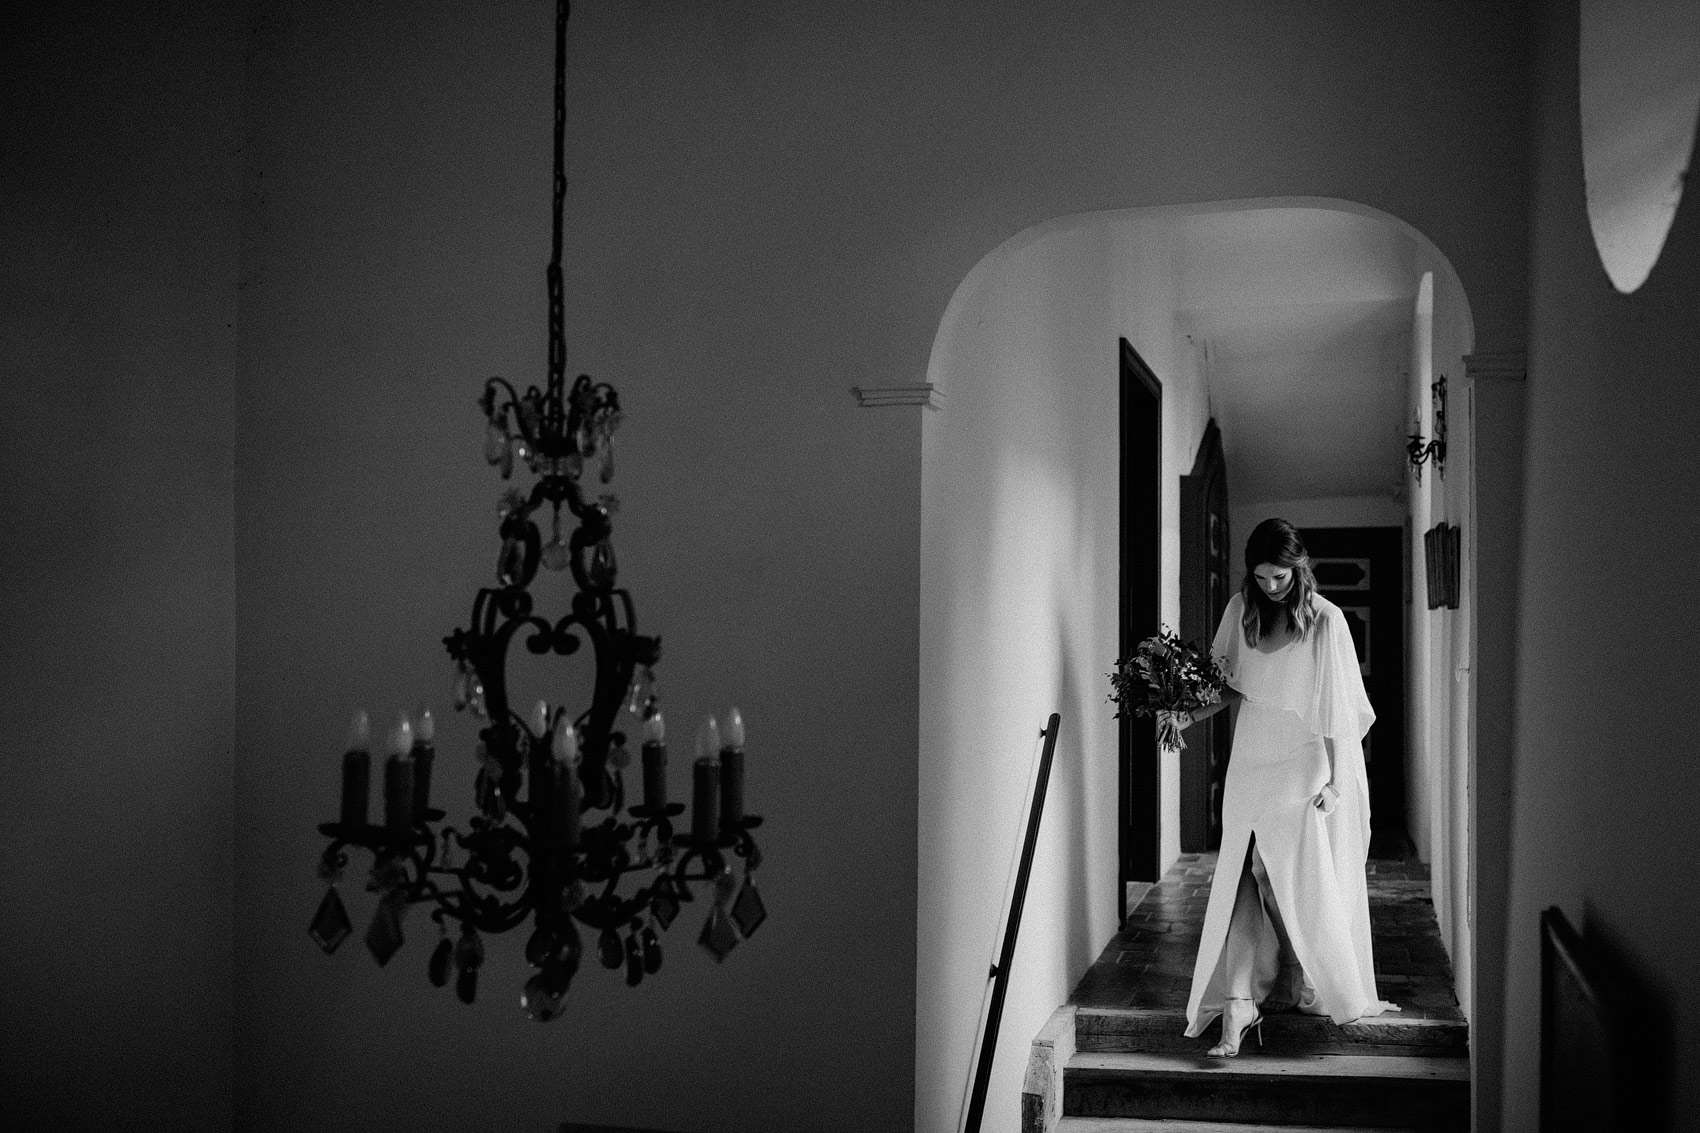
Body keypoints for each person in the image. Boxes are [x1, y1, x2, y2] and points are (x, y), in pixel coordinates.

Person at [1173, 518, 1396, 1056]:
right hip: (1251, 757)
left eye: (1279, 576)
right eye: (1261, 577)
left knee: (1285, 874)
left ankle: (1310, 975)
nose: (1271, 586)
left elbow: (1341, 713)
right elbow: (1227, 687)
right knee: (1241, 872)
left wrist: (1340, 781)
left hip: (1303, 759)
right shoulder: (1239, 610)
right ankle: (1238, 1002)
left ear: (1299, 568)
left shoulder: (1327, 621)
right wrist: (1183, 715)